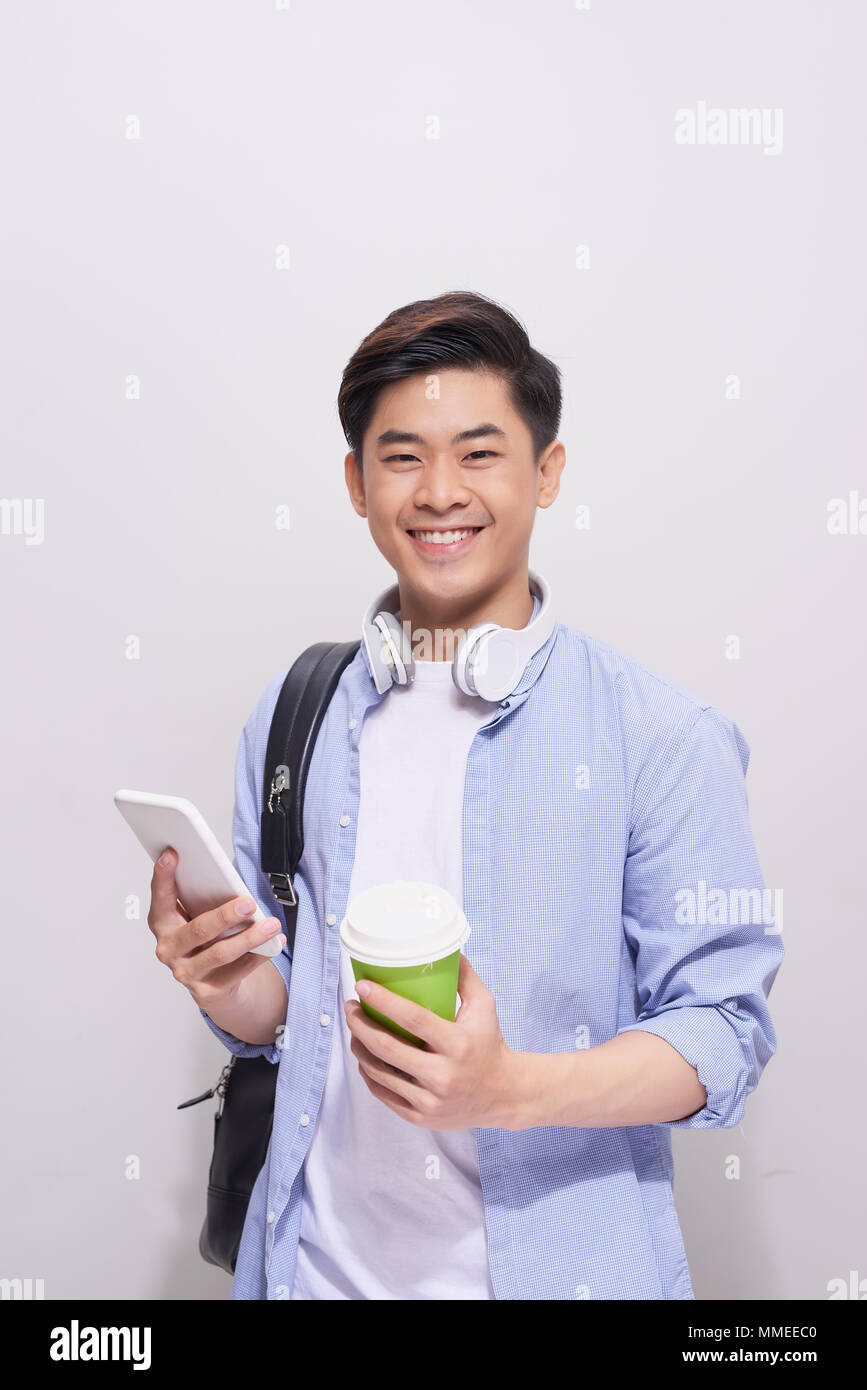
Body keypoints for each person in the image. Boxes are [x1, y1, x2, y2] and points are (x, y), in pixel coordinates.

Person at [147, 290, 783, 1300]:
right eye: (402, 457)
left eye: (479, 453)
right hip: (309, 1276)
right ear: (357, 483)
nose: (439, 492)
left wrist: (512, 1088)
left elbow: (724, 1035)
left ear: (547, 471)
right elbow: (285, 1013)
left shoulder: (662, 735)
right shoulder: (295, 710)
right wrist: (222, 979)